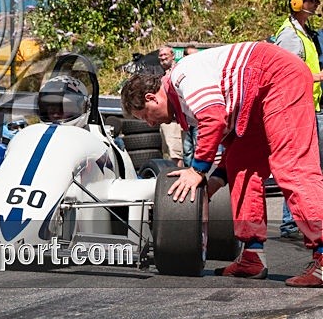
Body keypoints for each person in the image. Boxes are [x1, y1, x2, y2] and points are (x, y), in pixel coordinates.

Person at [120, 41, 323, 287]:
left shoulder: (184, 77)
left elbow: (213, 119)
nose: (151, 124)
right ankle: (252, 256)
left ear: (151, 98)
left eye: (145, 117)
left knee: (291, 164)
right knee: (241, 163)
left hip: (276, 75)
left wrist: (197, 170)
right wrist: (215, 179)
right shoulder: (184, 99)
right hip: (257, 91)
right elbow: (232, 142)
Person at [273, 0, 323, 238]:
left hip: (309, 107)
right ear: (296, 2)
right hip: (299, 109)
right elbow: (285, 74)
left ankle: (297, 220)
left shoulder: (304, 31)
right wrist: (318, 77)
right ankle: (291, 222)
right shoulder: (290, 35)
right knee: (301, 168)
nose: (316, 3)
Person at [157, 45, 183, 166]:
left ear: (173, 56)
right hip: (165, 121)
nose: (162, 58)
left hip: (174, 121)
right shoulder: (163, 74)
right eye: (160, 55)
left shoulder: (177, 72)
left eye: (165, 55)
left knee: (176, 154)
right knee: (167, 153)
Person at [180, 46, 200, 167]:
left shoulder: (201, 71)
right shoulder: (180, 72)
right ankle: (188, 170)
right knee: (187, 150)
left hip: (198, 116)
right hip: (186, 117)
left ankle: (199, 172)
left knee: (199, 146)